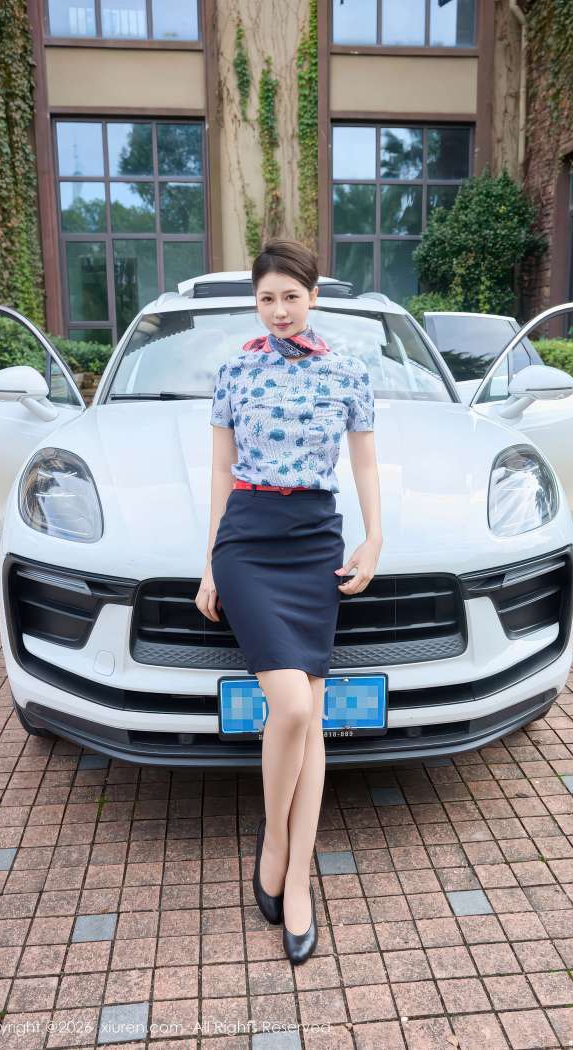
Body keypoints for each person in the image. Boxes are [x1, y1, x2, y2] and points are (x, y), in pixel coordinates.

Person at [196, 238, 382, 965]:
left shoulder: (348, 371)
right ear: (256, 301)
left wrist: (374, 540)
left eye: (291, 297)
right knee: (296, 708)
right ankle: (275, 844)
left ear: (314, 297)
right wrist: (210, 562)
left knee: (311, 718)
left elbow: (363, 463)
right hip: (248, 537)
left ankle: (296, 877)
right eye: (267, 298)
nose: (279, 310)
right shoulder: (234, 369)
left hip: (313, 541)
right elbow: (220, 470)